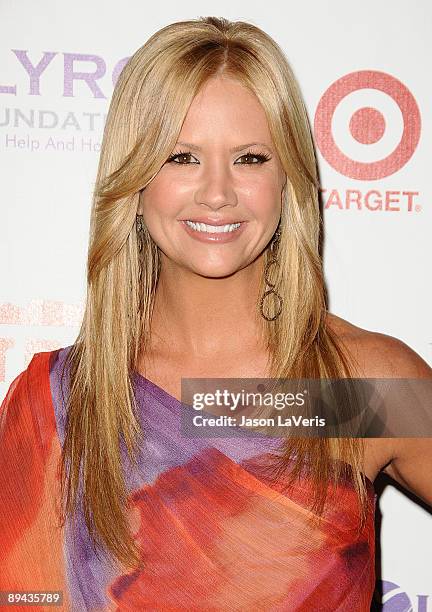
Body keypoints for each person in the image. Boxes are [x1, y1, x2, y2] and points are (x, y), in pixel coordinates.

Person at [1, 15, 431, 611]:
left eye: (251, 158)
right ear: (134, 177)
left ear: (288, 178)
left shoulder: (358, 387)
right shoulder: (61, 400)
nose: (217, 192)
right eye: (182, 157)